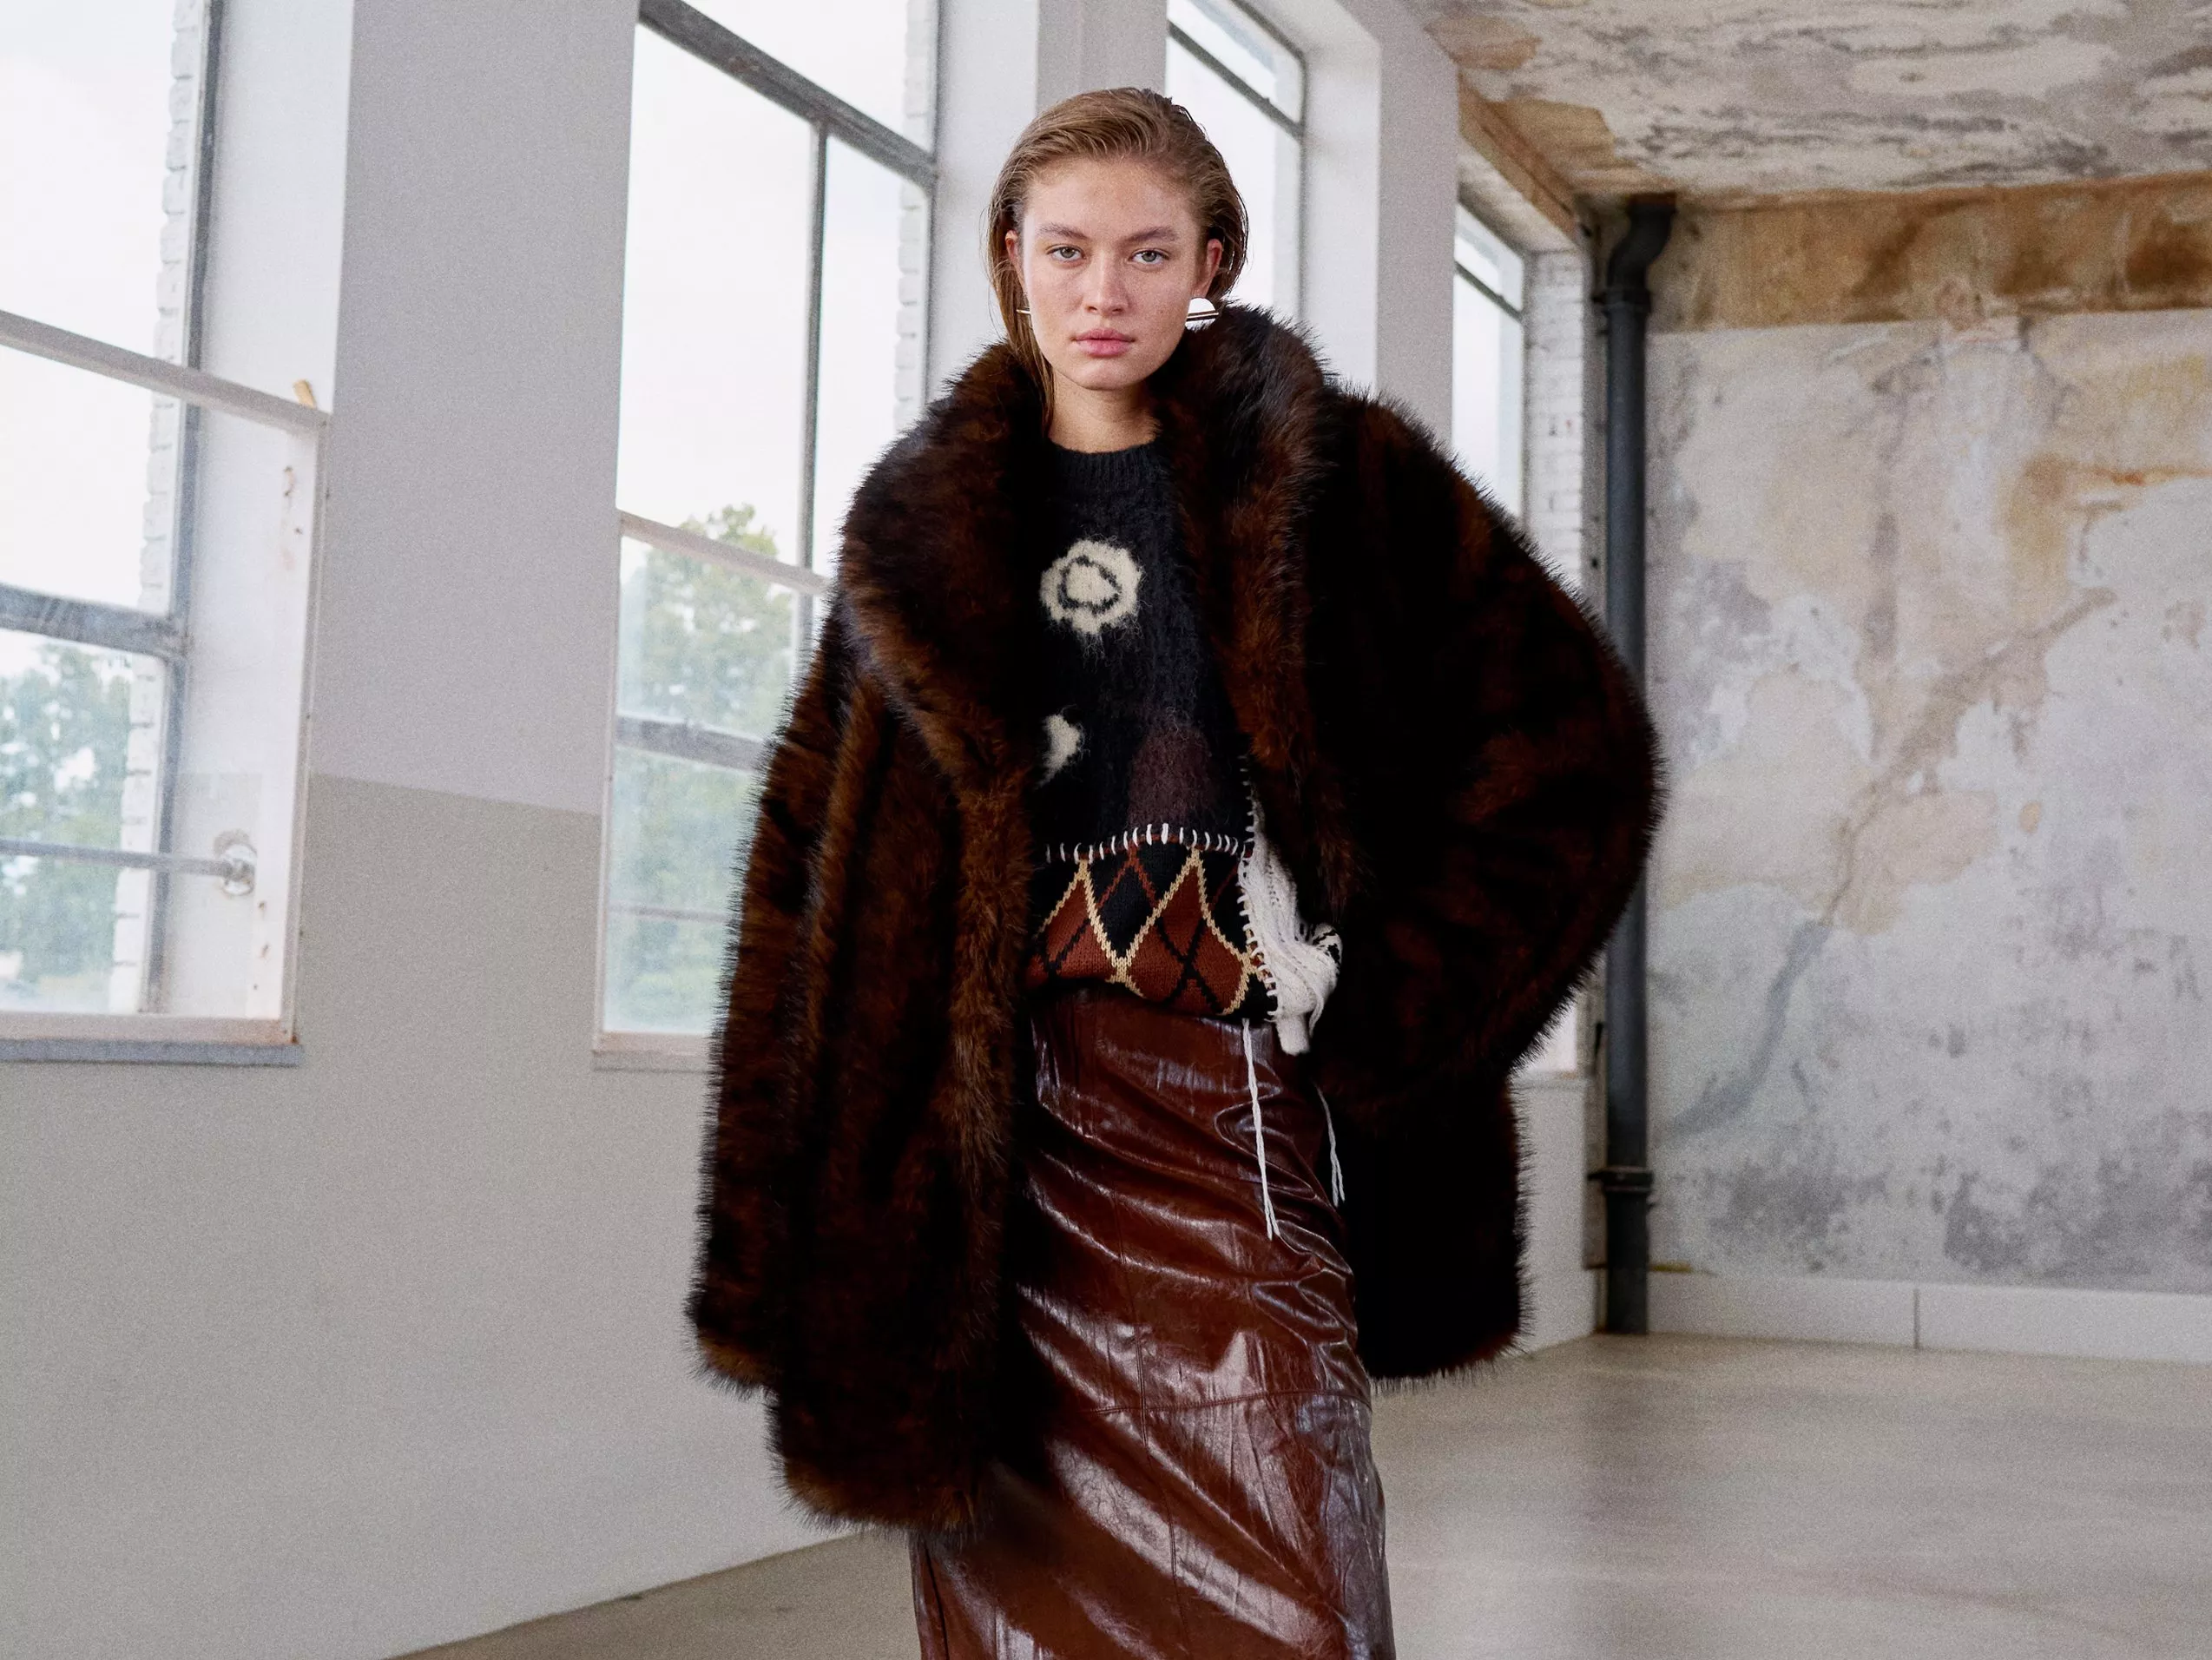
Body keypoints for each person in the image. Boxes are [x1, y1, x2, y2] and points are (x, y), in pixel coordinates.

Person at [689, 87, 1661, 1659]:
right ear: (1011, 257)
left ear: (1213, 257)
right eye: (1066, 250)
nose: (1103, 291)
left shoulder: (1349, 484)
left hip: (1239, 1128)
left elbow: (1576, 754)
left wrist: (1390, 1002)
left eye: (1148, 252)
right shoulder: (919, 534)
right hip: (985, 1168)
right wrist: (774, 1253)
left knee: (1296, 1591)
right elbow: (807, 889)